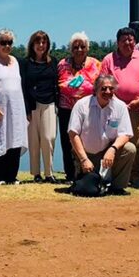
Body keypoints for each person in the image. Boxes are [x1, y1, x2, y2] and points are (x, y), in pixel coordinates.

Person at [100, 27, 139, 186]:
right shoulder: (109, 59)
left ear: (135, 41)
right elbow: (103, 82)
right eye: (123, 40)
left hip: (136, 109)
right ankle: (110, 175)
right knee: (111, 141)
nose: (127, 43)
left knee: (135, 143)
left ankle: (135, 176)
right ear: (117, 42)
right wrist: (117, 102)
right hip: (113, 110)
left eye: (130, 40)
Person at [67, 74, 135, 195]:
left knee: (130, 149)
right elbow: (73, 134)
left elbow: (126, 134)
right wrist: (84, 159)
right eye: (103, 88)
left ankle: (117, 187)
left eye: (111, 88)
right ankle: (85, 179)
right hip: (86, 155)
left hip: (107, 153)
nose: (107, 92)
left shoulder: (120, 106)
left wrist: (113, 149)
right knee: (87, 189)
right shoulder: (82, 105)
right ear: (95, 89)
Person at [0, 29, 28, 185]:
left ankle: (11, 176)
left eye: (9, 42)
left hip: (16, 110)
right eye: (3, 42)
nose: (6, 45)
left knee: (14, 139)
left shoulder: (14, 61)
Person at [57, 32, 100, 183]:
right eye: (75, 47)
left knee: (86, 140)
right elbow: (59, 84)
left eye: (82, 46)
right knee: (67, 141)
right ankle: (70, 174)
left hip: (88, 109)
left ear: (87, 48)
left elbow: (100, 86)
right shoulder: (62, 64)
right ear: (71, 49)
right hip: (66, 109)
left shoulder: (96, 64)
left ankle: (87, 172)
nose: (79, 50)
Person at [20, 30, 58, 183]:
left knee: (49, 138)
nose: (41, 45)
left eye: (44, 42)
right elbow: (23, 86)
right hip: (32, 105)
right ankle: (36, 173)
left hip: (49, 103)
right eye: (38, 42)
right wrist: (26, 109)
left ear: (47, 45)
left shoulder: (53, 62)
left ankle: (49, 173)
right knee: (34, 141)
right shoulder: (25, 63)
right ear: (32, 45)